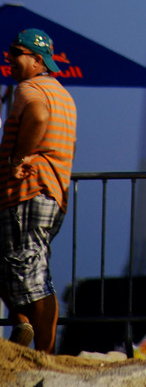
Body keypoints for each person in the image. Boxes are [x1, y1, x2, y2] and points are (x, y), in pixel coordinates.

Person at [0, 29, 77, 353]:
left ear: (36, 59)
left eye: (17, 53)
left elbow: (38, 115)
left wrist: (18, 157)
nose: (9, 58)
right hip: (52, 193)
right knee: (24, 266)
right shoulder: (61, 93)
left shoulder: (28, 88)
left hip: (29, 191)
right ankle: (24, 326)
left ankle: (44, 352)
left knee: (31, 273)